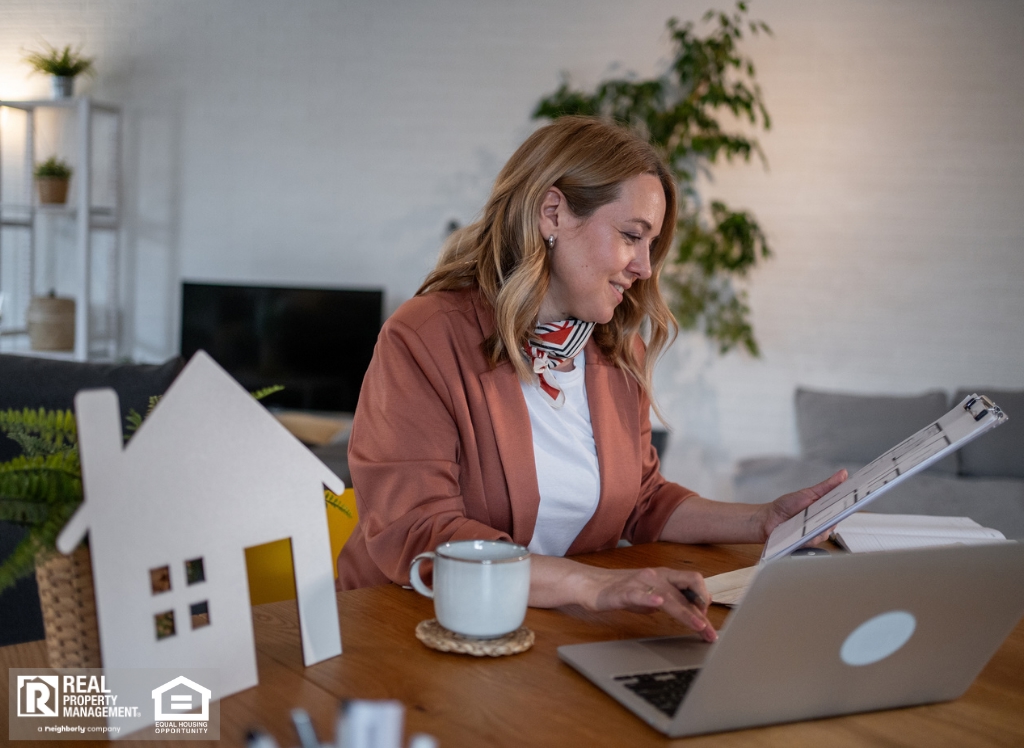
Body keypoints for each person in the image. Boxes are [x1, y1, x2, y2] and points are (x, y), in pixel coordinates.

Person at [336, 116, 845, 642]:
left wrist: (763, 521)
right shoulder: (425, 337)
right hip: (410, 631)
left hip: (545, 631)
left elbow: (642, 499)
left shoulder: (615, 349)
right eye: (632, 236)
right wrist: (592, 586)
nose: (645, 268)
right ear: (552, 213)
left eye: (651, 246)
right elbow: (421, 534)